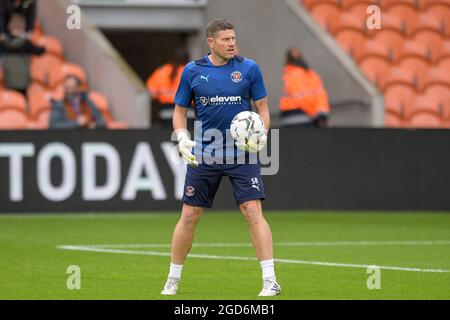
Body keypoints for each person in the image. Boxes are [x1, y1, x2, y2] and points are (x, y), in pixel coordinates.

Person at [161, 18, 281, 297]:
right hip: (205, 153)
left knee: (252, 211)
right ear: (211, 42)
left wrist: (261, 133)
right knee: (189, 215)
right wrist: (181, 137)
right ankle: (172, 279)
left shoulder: (249, 69)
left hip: (242, 154)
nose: (232, 44)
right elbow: (179, 112)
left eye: (233, 38)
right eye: (226, 39)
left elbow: (263, 108)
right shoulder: (192, 71)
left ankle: (270, 281)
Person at [279, 48, 330, 127]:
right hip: (311, 119)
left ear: (287, 60)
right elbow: (321, 96)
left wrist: (314, 116)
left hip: (292, 118)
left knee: (276, 136)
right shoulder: (312, 74)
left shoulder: (291, 74)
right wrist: (321, 115)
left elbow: (301, 98)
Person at [146, 47, 194, 127]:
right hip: (187, 113)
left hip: (166, 113)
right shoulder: (191, 72)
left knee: (168, 138)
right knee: (186, 138)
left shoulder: (161, 71)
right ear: (187, 59)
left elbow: (152, 93)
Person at [0, 12, 44, 96]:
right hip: (23, 82)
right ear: (23, 27)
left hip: (8, 81)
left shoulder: (3, 43)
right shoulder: (26, 43)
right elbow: (40, 51)